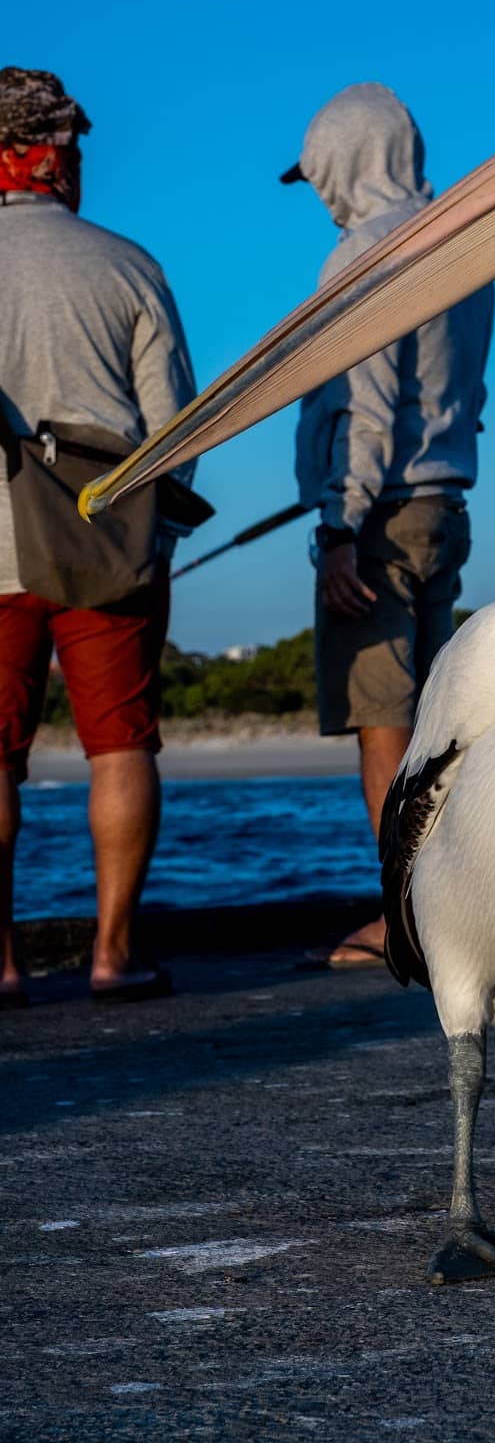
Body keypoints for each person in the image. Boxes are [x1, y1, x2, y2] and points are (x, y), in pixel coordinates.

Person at [284, 83, 494, 967]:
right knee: (442, 725)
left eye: (319, 174)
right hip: (444, 507)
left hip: (378, 518)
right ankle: (460, 906)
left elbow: (364, 407)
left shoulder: (361, 254)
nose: (321, 193)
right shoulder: (465, 241)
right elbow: (466, 395)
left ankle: (403, 920)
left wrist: (338, 527)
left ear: (345, 159)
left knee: (386, 720)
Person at [0, 67, 197, 1005]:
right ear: (43, 156)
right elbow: (177, 429)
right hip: (107, 541)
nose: (79, 164)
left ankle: (0, 964)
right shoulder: (128, 266)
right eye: (72, 148)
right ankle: (114, 957)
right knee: (120, 745)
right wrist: (157, 535)